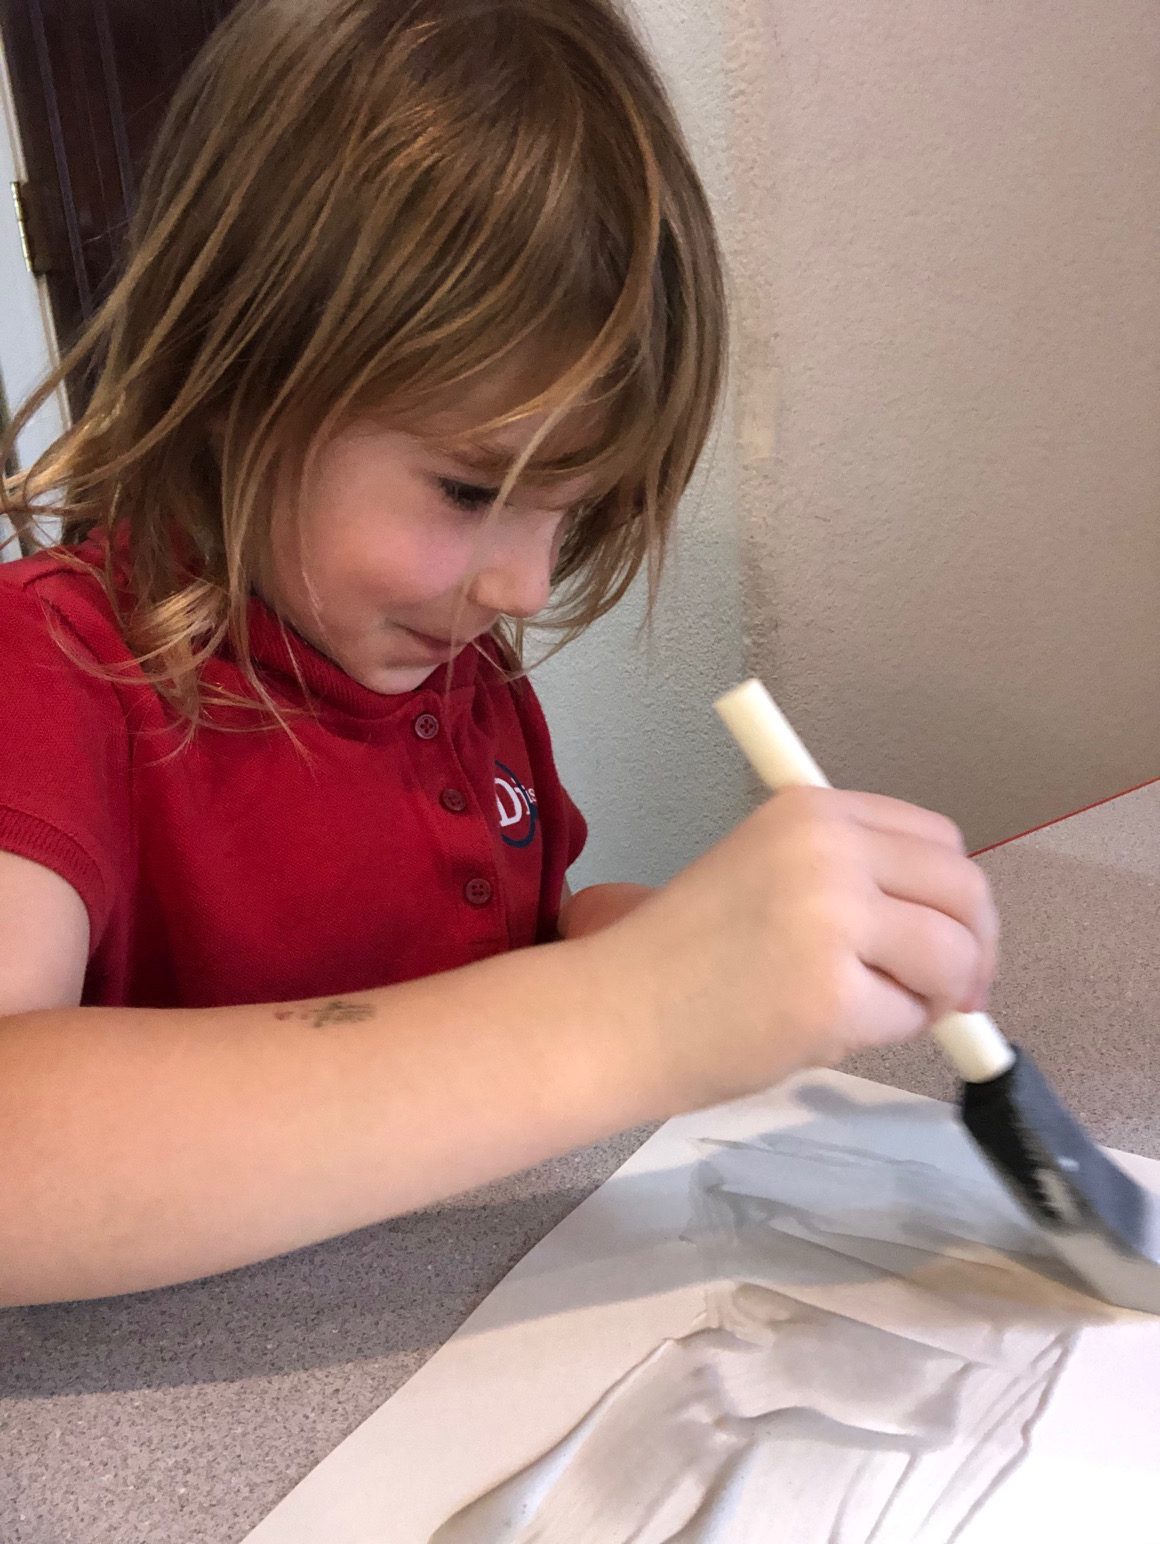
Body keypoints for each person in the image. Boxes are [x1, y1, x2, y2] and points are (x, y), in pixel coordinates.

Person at [0, 0, 996, 1306]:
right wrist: (632, 1014)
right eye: (472, 490)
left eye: (571, 509)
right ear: (237, 366)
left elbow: (510, 965)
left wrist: (667, 949)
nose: (524, 584)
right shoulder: (52, 669)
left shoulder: (457, 679)